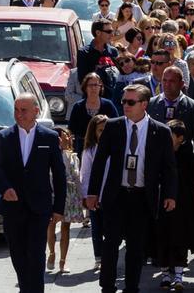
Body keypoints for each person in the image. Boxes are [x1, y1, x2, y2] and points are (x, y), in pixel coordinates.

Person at [85, 83, 179, 293]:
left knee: (136, 248)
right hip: (116, 195)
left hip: (142, 196)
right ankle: (107, 286)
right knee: (110, 243)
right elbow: (99, 161)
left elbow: (169, 168)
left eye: (130, 102)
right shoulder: (113, 126)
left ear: (144, 104)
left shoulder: (160, 131)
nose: (125, 106)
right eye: (123, 101)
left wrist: (170, 195)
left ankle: (131, 287)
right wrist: (92, 192)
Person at [0, 93, 67, 293]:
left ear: (36, 111)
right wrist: (5, 188)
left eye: (24, 110)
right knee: (18, 255)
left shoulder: (49, 137)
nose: (19, 114)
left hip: (39, 208)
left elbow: (59, 174)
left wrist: (59, 207)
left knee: (36, 255)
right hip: (13, 208)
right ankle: (25, 289)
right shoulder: (4, 137)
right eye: (16, 109)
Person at [155, 119, 194, 291]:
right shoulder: (160, 152)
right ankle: (165, 274)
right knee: (161, 237)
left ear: (180, 137)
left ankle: (179, 274)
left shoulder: (188, 153)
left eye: (170, 135)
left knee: (179, 237)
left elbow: (191, 178)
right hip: (161, 201)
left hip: (182, 203)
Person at [47, 126, 86, 274]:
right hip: (55, 193)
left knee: (66, 227)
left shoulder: (73, 157)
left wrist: (82, 196)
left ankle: (63, 261)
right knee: (51, 224)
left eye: (69, 136)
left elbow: (77, 178)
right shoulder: (51, 154)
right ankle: (51, 252)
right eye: (65, 135)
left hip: (70, 194)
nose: (69, 138)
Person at [79, 114, 109, 271]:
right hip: (95, 197)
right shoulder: (90, 151)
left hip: (111, 196)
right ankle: (99, 257)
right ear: (94, 132)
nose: (103, 134)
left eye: (106, 130)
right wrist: (87, 196)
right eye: (100, 130)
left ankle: (109, 255)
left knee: (110, 229)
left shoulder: (115, 148)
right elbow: (85, 175)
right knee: (96, 228)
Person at [67, 72, 118, 147]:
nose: (93, 88)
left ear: (100, 87)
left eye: (96, 85)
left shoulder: (108, 105)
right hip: (82, 147)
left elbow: (116, 126)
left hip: (104, 146)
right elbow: (71, 129)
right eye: (90, 85)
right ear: (85, 87)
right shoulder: (78, 106)